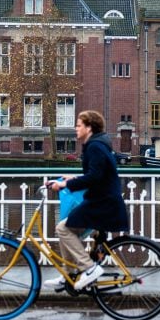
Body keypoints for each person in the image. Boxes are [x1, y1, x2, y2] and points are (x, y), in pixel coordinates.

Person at [44, 110, 129, 291]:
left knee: (62, 229)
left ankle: (88, 268)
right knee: (66, 228)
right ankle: (69, 274)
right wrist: (68, 178)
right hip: (102, 201)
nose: (76, 128)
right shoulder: (97, 144)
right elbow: (94, 174)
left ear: (89, 128)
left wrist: (66, 185)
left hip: (102, 204)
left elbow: (94, 177)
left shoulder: (95, 147)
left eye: (79, 125)